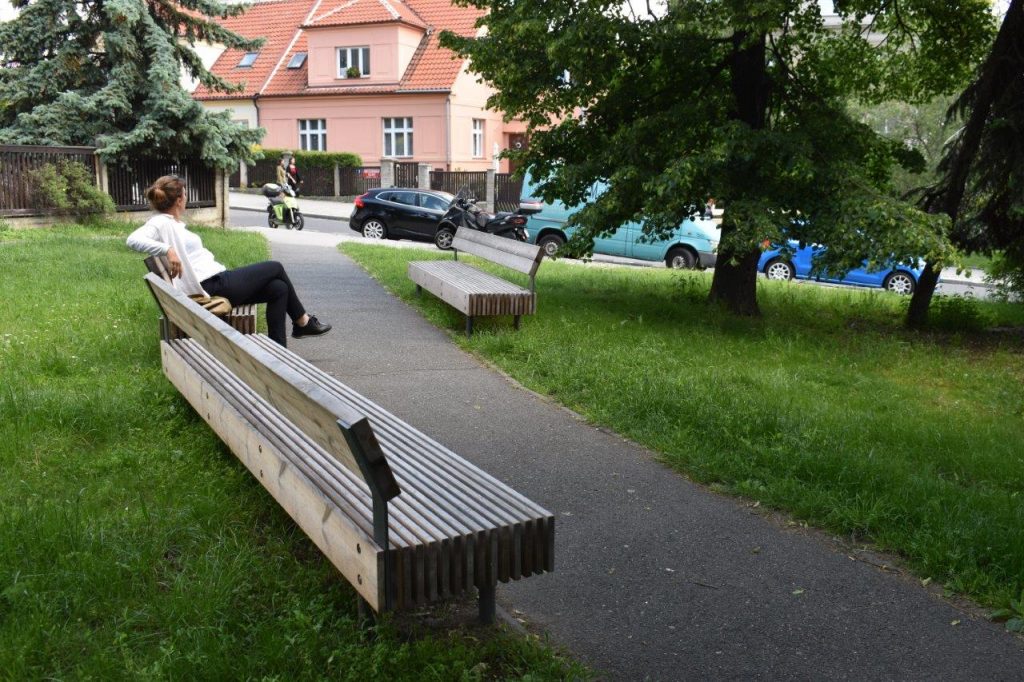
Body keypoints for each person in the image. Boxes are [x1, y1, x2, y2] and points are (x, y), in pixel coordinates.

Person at [127, 174, 331, 347]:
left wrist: (169, 249)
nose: (187, 197)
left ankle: (280, 351)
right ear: (180, 200)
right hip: (212, 286)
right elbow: (132, 240)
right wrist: (167, 249)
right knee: (275, 267)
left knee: (279, 288)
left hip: (216, 281)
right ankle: (302, 321)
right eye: (185, 194)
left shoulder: (172, 223)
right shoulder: (161, 222)